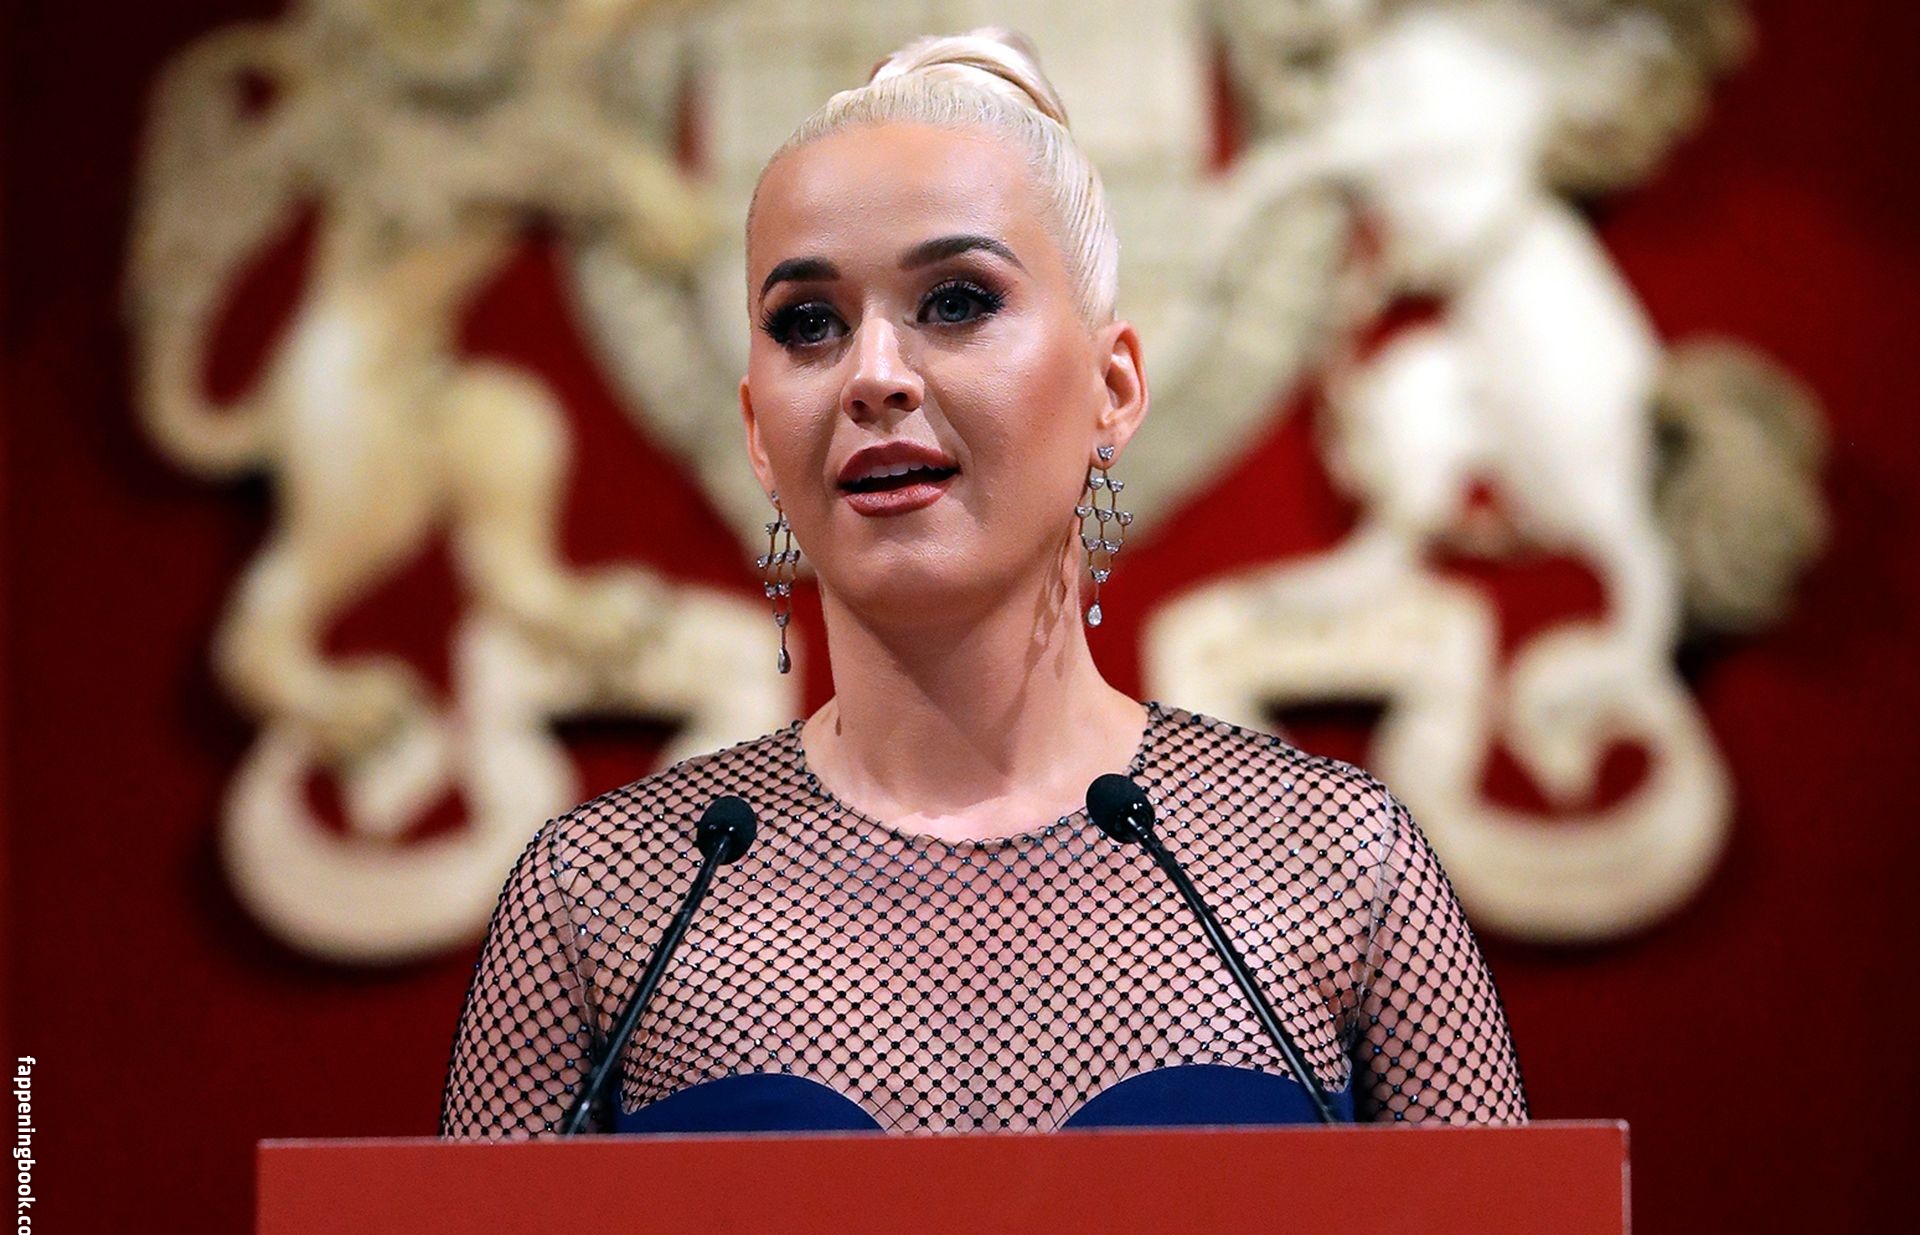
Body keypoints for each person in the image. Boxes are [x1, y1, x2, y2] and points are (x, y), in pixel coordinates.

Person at [440, 27, 1526, 1137]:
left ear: (1113, 388)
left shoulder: (1338, 865)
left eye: (956, 301)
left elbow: (1512, 1224)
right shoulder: (606, 899)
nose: (873, 375)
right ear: (758, 431)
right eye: (808, 324)